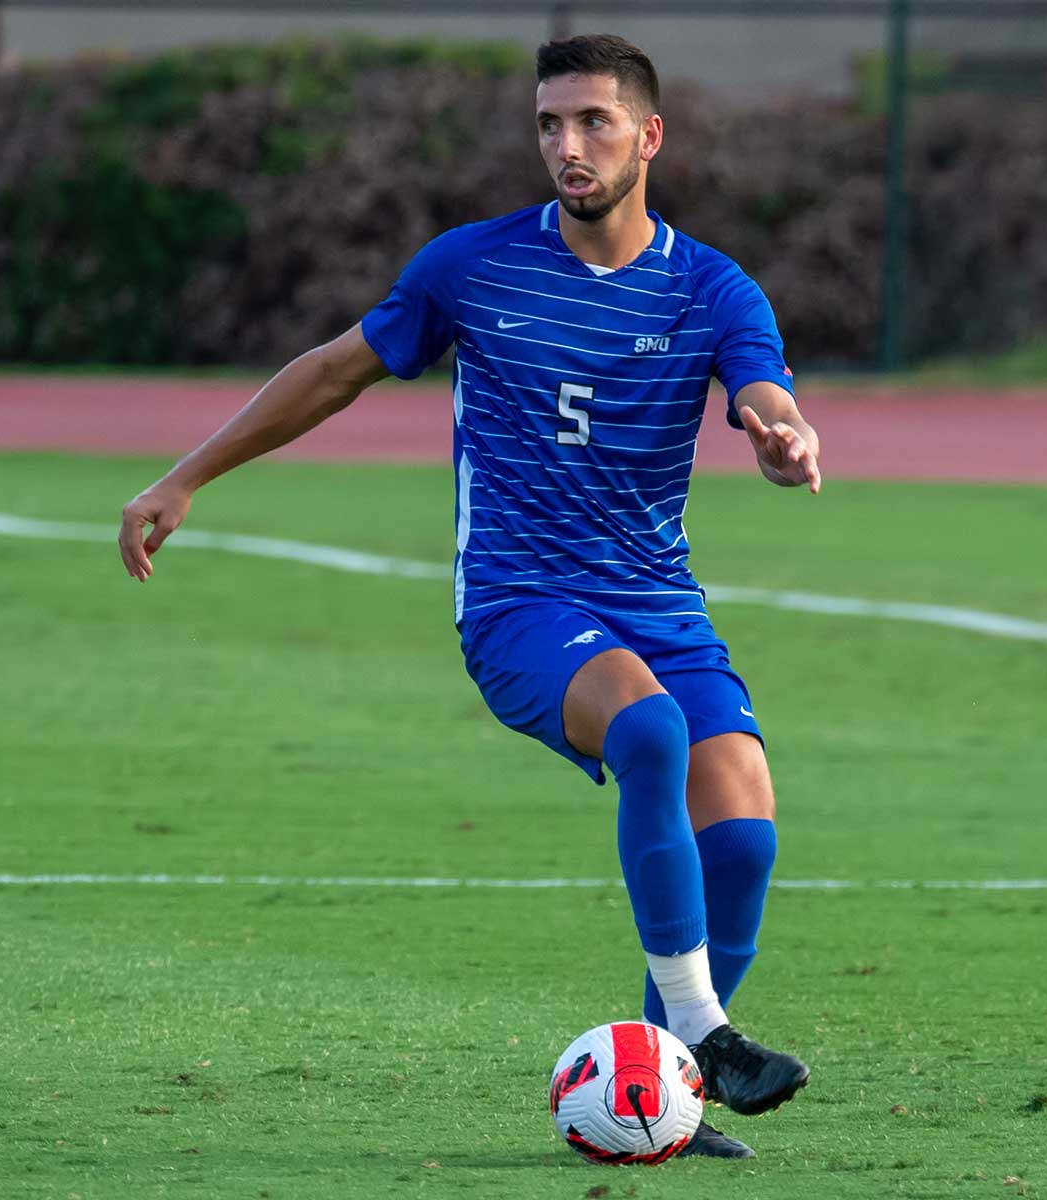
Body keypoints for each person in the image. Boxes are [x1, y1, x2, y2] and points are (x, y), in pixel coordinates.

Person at [118, 33, 821, 1159]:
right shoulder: (473, 268)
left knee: (741, 836)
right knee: (648, 729)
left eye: (593, 122)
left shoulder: (711, 288)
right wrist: (187, 475)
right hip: (518, 604)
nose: (568, 145)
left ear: (649, 137)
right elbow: (333, 372)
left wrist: (782, 437)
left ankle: (663, 1095)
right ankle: (702, 1032)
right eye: (550, 124)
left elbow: (764, 393)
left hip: (658, 604)